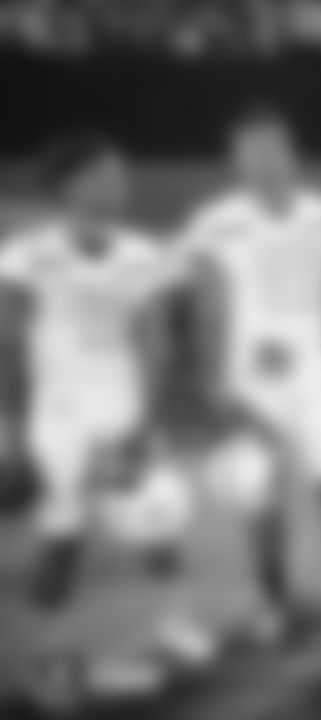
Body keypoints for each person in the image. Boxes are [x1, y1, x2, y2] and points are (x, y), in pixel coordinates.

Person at [180, 108, 321, 637]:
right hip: (251, 378)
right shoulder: (213, 223)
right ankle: (273, 601)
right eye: (251, 150)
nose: (264, 160)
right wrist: (211, 379)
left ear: (292, 152)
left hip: (318, 373)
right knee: (262, 493)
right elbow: (206, 308)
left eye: (273, 147)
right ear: (235, 159)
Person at [0, 136, 200, 698]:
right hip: (60, 420)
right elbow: (7, 347)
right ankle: (48, 668)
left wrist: (145, 422)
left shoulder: (144, 254)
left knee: (158, 521)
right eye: (107, 175)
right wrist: (15, 433)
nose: (121, 184)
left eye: (121, 173)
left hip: (124, 415)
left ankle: (171, 624)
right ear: (72, 185)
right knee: (64, 539)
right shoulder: (25, 256)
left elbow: (157, 343)